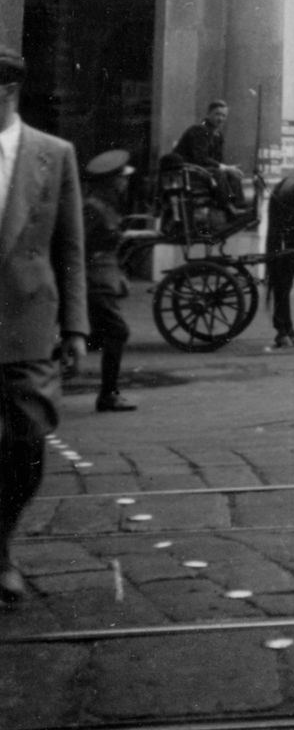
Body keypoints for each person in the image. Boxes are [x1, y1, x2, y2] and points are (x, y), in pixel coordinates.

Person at [0, 46, 87, 603]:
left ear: (7, 92)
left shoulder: (54, 155)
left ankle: (0, 539)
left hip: (26, 323)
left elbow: (72, 249)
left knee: (27, 441)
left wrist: (76, 327)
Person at [82, 151, 136, 413]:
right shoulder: (92, 208)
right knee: (117, 332)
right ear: (111, 181)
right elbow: (76, 249)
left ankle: (40, 363)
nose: (125, 183)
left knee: (94, 338)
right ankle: (108, 395)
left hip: (104, 279)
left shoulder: (104, 205)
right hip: (95, 281)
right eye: (121, 179)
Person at [173, 101, 248, 216]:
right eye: (217, 114)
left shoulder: (218, 135)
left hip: (201, 170)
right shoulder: (199, 130)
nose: (220, 118)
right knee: (217, 172)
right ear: (208, 114)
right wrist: (225, 168)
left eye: (224, 115)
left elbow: (218, 160)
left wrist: (228, 169)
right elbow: (200, 158)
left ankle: (240, 206)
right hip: (187, 170)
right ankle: (228, 207)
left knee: (232, 174)